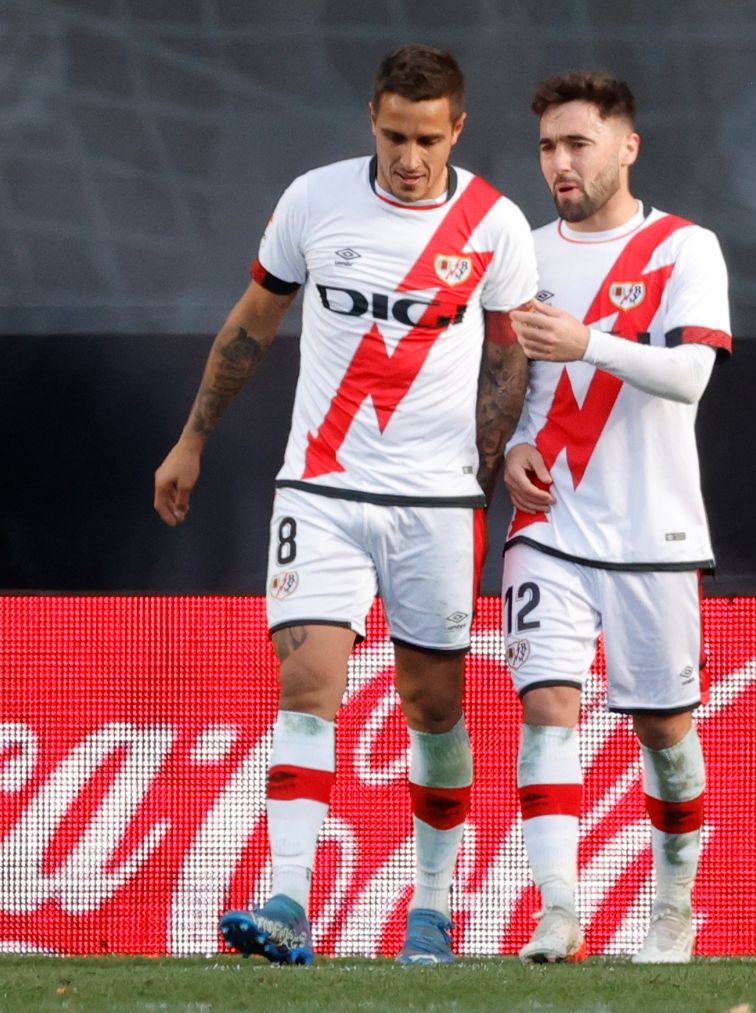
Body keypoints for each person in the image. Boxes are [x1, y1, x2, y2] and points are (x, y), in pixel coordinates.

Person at [151, 44, 538, 965]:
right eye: (397, 136)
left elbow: (508, 359)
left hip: (435, 503)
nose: (411, 157)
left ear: (458, 129)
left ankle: (433, 910)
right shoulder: (314, 199)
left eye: (429, 139)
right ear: (373, 118)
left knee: (434, 707)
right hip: (320, 488)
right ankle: (289, 901)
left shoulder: (495, 222)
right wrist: (193, 437)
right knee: (305, 686)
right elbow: (253, 322)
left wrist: (477, 479)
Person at [499, 72, 732, 965]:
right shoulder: (519, 250)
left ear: (626, 147)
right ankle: (559, 906)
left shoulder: (685, 248)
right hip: (550, 520)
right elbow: (510, 384)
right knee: (547, 704)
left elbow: (691, 376)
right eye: (549, 147)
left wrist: (588, 340)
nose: (560, 163)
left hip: (653, 527)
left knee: (664, 730)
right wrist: (510, 448)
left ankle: (673, 905)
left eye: (578, 144)